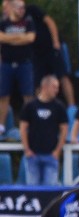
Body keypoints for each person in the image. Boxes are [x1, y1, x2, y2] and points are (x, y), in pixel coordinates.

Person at [19, 75, 68, 186]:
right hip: (33, 156)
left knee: (50, 193)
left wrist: (57, 151)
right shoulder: (30, 106)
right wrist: (27, 150)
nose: (57, 90)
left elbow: (64, 130)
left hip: (51, 156)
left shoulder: (59, 107)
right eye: (54, 87)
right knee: (33, 192)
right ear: (45, 87)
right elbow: (22, 128)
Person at [25, 2, 75, 106]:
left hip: (51, 47)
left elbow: (50, 22)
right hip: (36, 53)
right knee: (37, 81)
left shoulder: (32, 9)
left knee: (63, 76)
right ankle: (40, 106)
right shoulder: (11, 20)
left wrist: (55, 42)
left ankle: (72, 107)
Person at [0, 0, 35, 137]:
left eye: (23, 8)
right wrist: (20, 37)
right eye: (19, 8)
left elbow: (30, 38)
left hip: (24, 64)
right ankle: (1, 126)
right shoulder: (4, 22)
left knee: (27, 95)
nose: (22, 10)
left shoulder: (28, 22)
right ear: (12, 8)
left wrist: (9, 39)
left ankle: (29, 124)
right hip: (7, 64)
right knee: (3, 96)